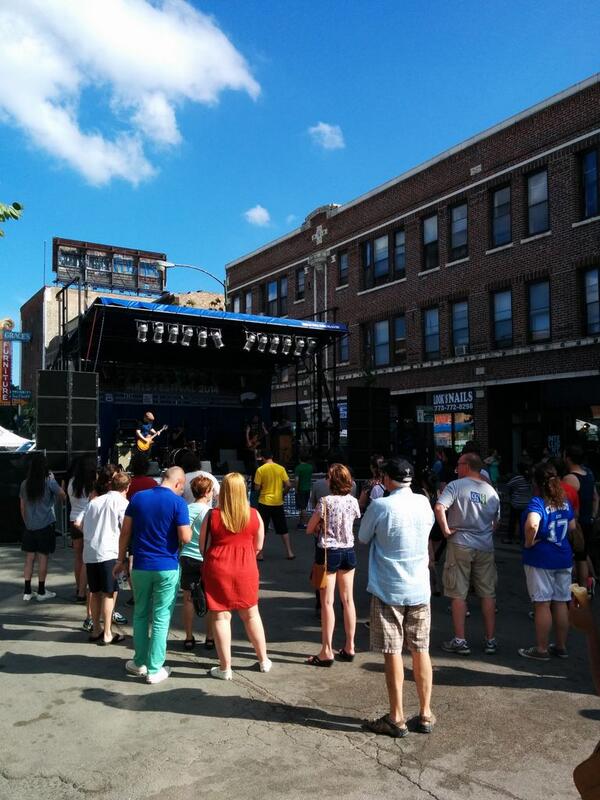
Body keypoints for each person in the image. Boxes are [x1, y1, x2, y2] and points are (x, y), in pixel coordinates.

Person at [359, 458, 436, 737]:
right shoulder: (423, 502)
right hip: (419, 586)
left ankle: (397, 716)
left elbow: (364, 536)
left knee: (392, 652)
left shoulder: (381, 505)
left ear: (387, 479)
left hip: (388, 587)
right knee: (421, 649)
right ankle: (426, 713)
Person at [114, 466, 192, 684]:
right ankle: (155, 668)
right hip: (166, 566)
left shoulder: (138, 498)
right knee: (161, 617)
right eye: (181, 487)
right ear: (177, 483)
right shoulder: (178, 503)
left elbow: (125, 532)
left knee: (140, 613)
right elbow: (185, 538)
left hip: (139, 565)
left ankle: (139, 662)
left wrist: (120, 560)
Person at [200, 472, 271, 679]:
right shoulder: (254, 514)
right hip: (246, 567)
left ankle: (225, 668)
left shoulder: (213, 515)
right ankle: (263, 660)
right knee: (251, 614)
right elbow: (259, 546)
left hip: (217, 568)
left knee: (221, 616)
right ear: (243, 490)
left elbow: (201, 545)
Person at [435, 452, 501, 655]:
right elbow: (496, 521)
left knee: (458, 592)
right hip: (484, 544)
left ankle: (460, 640)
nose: (457, 467)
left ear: (466, 466)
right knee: (488, 592)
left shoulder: (456, 485)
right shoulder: (491, 491)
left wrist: (446, 530)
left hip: (460, 542)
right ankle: (490, 639)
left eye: (459, 464)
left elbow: (439, 507)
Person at [518, 462, 575, 661]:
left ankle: (541, 649)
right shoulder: (564, 502)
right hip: (563, 556)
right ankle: (561, 646)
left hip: (541, 558)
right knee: (561, 601)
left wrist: (529, 541)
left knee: (542, 603)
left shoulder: (538, 502)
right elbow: (573, 527)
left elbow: (532, 524)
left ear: (536, 482)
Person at [305, 463, 361, 666]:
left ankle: (326, 650)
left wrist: (320, 525)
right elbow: (353, 519)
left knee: (327, 603)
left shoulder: (325, 501)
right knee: (348, 601)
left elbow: (309, 529)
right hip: (348, 551)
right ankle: (350, 646)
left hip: (328, 552)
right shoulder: (353, 501)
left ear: (332, 481)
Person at [82, 471, 131, 645]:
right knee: (109, 593)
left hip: (91, 551)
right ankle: (108, 632)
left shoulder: (94, 502)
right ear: (127, 487)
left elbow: (81, 524)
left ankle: (96, 629)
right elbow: (125, 527)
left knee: (95, 592)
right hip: (109, 552)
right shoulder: (123, 503)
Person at [20, 453, 66, 602]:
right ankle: (41, 590)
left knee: (29, 557)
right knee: (43, 558)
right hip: (45, 524)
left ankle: (27, 591)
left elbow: (22, 506)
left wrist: (27, 522)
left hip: (29, 525)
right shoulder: (49, 481)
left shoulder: (25, 483)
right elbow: (62, 495)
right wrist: (61, 486)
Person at [180, 475, 214, 651]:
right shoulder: (209, 512)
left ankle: (188, 636)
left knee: (188, 598)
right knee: (210, 598)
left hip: (187, 556)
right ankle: (210, 637)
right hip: (205, 558)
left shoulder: (185, 509)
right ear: (207, 492)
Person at [564, 444, 599, 592]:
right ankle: (584, 589)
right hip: (587, 521)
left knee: (571, 557)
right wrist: (592, 516)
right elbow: (596, 497)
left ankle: (570, 591)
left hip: (575, 523)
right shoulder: (589, 474)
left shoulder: (569, 478)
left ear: (568, 458)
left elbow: (563, 504)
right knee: (582, 556)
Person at [254, 451, 294, 559]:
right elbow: (289, 484)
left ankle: (260, 553)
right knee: (283, 529)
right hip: (277, 502)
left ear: (262, 458)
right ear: (272, 456)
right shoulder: (280, 468)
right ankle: (289, 552)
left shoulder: (260, 470)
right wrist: (283, 493)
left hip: (264, 502)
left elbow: (257, 488)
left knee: (262, 529)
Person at [67, 455, 97, 601]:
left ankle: (79, 588)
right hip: (88, 522)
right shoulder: (92, 484)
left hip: (73, 520)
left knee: (78, 557)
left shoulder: (71, 483)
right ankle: (84, 591)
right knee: (87, 559)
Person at [502, 461, 532, 545]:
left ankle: (509, 538)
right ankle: (522, 539)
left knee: (512, 522)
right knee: (523, 522)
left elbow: (508, 486)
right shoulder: (530, 479)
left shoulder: (517, 479)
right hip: (526, 504)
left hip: (516, 504)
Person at [294, 453, 313, 528]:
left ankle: (305, 523)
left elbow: (296, 480)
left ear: (299, 459)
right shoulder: (310, 467)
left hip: (300, 489)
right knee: (304, 506)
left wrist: (296, 489)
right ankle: (301, 523)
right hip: (307, 488)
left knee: (302, 508)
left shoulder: (298, 468)